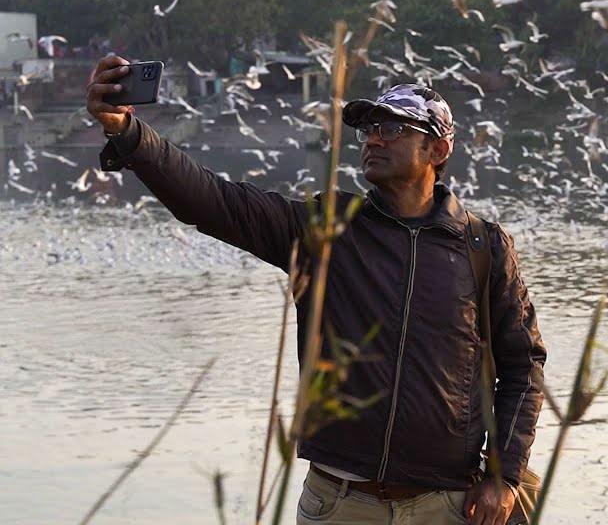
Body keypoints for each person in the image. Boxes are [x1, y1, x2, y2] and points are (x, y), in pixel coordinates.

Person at [87, 57, 546, 525]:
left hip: (447, 505)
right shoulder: (327, 231)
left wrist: (505, 476)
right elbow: (213, 202)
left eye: (392, 128)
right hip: (340, 503)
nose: (373, 137)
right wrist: (129, 134)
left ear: (437, 148)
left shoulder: (482, 248)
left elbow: (522, 366)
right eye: (368, 128)